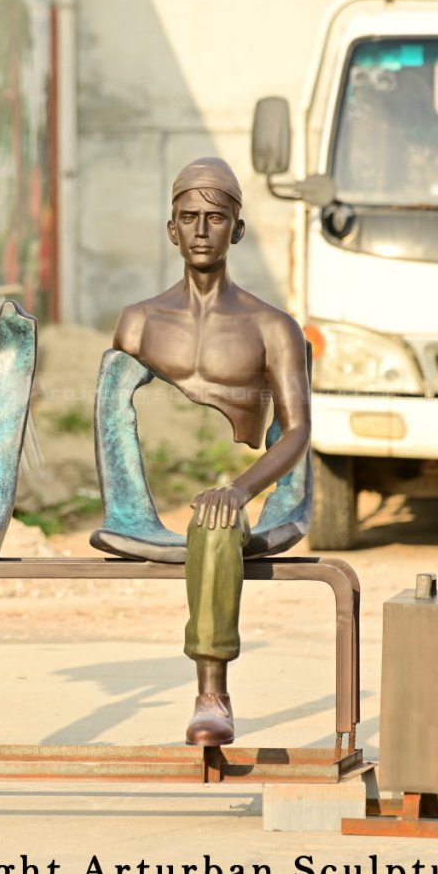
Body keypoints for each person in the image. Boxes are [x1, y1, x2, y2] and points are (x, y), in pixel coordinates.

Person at [112, 157, 311, 745]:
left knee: (217, 520)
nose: (202, 230)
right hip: (158, 503)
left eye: (216, 219)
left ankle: (212, 692)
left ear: (237, 231)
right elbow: (117, 414)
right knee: (209, 514)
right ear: (171, 229)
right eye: (189, 218)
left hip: (243, 499)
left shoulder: (273, 327)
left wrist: (241, 489)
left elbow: (297, 430)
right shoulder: (139, 323)